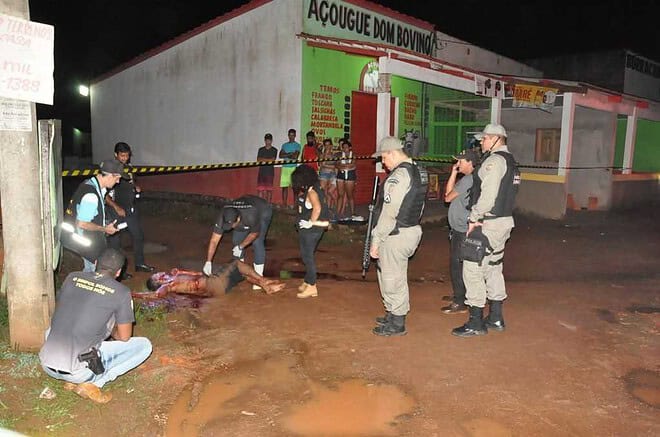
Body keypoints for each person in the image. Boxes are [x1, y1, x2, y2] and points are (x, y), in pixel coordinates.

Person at [39, 248, 152, 404]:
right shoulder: (121, 292)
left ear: (96, 263)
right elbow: (125, 337)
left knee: (58, 329)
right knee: (144, 346)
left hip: (47, 364)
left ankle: (71, 379)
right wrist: (110, 329)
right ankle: (95, 383)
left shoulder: (72, 277)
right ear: (118, 272)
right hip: (79, 371)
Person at [452, 124, 520, 337]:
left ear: (495, 139)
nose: (481, 142)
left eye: (484, 139)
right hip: (503, 222)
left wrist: (474, 218)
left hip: (487, 224)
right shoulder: (511, 161)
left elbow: (488, 197)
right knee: (493, 267)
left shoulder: (494, 161)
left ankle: (476, 322)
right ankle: (496, 317)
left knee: (472, 269)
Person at [370, 137, 427, 336]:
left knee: (392, 278)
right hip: (409, 229)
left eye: (384, 158)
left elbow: (389, 213)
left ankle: (397, 322)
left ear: (392, 153)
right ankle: (392, 313)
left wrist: (376, 240)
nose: (383, 162)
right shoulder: (417, 170)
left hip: (396, 232)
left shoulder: (399, 175)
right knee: (390, 274)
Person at [61, 159, 123, 272]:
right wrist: (104, 229)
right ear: (110, 176)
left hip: (82, 239)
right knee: (93, 272)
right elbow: (82, 223)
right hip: (86, 241)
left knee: (89, 272)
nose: (118, 182)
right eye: (117, 178)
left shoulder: (89, 184)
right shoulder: (91, 196)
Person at [106, 142, 155, 275]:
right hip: (116, 211)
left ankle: (140, 264)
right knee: (115, 241)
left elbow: (130, 182)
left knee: (138, 236)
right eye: (122, 155)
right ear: (116, 155)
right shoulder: (110, 170)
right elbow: (104, 195)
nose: (125, 158)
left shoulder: (129, 167)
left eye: (127, 155)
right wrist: (116, 208)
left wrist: (135, 187)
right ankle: (118, 272)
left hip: (130, 209)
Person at [203, 195, 273, 290]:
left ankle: (259, 277)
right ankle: (240, 272)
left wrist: (241, 246)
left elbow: (254, 234)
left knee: (257, 242)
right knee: (236, 240)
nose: (230, 228)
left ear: (238, 219)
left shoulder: (251, 215)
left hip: (263, 210)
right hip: (243, 211)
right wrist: (208, 261)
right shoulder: (222, 216)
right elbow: (214, 240)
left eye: (232, 225)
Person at [442, 148, 479, 314]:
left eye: (461, 161)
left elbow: (448, 197)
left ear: (470, 162)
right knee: (461, 264)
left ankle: (460, 301)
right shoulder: (468, 178)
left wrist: (454, 174)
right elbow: (448, 195)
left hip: (463, 228)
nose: (458, 164)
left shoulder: (468, 179)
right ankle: (460, 294)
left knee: (457, 264)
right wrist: (454, 172)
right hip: (460, 227)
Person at [133, 261, 286, 299]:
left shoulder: (174, 277)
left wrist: (181, 271)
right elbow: (157, 294)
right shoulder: (168, 285)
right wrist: (133, 294)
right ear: (158, 281)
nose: (160, 273)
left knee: (243, 275)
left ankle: (266, 286)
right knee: (236, 264)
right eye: (157, 275)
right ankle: (264, 281)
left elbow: (198, 274)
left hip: (215, 285)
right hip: (214, 284)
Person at [292, 165, 329, 298]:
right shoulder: (315, 188)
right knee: (306, 255)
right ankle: (308, 281)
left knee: (307, 257)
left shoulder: (312, 192)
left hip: (311, 231)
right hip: (313, 230)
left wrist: (310, 223)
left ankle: (312, 286)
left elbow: (317, 208)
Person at [279, 129, 301, 208]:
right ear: (288, 135)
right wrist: (290, 154)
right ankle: (284, 204)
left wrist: (286, 154)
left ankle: (295, 205)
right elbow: (280, 155)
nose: (291, 137)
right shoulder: (284, 145)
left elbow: (295, 157)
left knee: (295, 188)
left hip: (293, 168)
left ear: (295, 136)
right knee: (284, 187)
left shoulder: (297, 145)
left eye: (293, 135)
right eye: (290, 135)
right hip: (285, 168)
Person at [336, 140, 357, 219]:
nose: (345, 149)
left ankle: (353, 213)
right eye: (343, 147)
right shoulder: (340, 155)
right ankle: (337, 213)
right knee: (340, 195)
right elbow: (337, 165)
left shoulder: (353, 155)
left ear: (350, 147)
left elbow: (353, 165)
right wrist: (346, 166)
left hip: (350, 175)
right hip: (340, 175)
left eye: (346, 147)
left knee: (350, 195)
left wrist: (343, 166)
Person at [256, 133, 278, 203]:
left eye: (269, 140)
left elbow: (273, 160)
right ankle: (260, 204)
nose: (268, 141)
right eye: (267, 140)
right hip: (261, 172)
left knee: (269, 190)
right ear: (264, 140)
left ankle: (268, 205)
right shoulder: (261, 149)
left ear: (271, 141)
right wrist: (268, 160)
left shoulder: (274, 150)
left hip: (269, 173)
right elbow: (258, 159)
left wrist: (263, 159)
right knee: (260, 190)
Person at [318, 138, 339, 210]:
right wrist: (332, 167)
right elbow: (322, 164)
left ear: (331, 145)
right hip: (324, 174)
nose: (327, 147)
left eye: (329, 145)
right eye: (326, 145)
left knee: (330, 192)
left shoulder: (334, 155)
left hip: (332, 174)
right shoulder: (322, 155)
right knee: (323, 192)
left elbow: (336, 166)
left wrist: (331, 167)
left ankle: (329, 208)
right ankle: (323, 208)